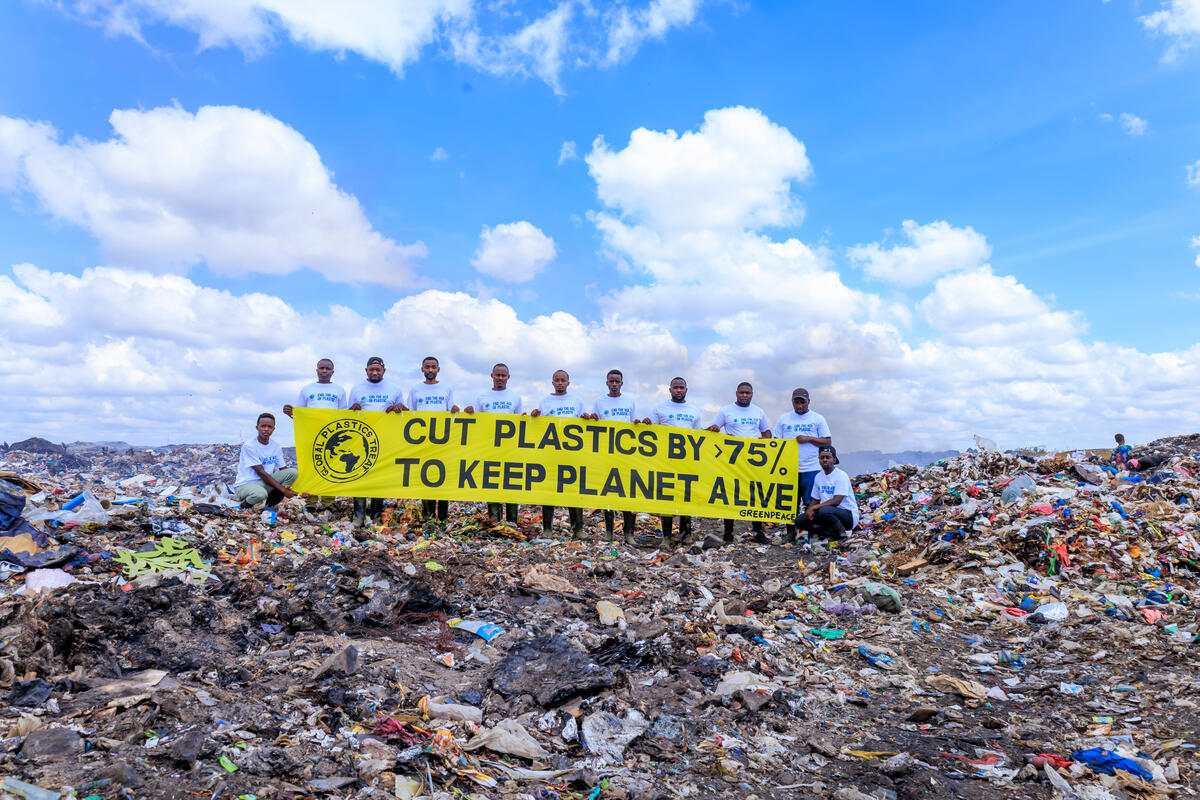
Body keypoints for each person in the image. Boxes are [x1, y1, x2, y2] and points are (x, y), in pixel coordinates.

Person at [583, 369, 644, 545]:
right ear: (607, 383)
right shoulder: (599, 402)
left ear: (622, 383)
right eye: (611, 381)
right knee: (607, 493)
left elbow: (633, 425)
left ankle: (629, 535)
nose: (614, 384)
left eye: (617, 381)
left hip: (626, 456)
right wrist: (592, 418)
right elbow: (595, 423)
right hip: (606, 455)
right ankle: (609, 534)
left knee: (628, 494)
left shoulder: (630, 401)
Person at [707, 382, 772, 544]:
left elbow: (767, 433)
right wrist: (715, 430)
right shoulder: (726, 411)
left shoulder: (758, 411)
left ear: (752, 394)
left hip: (753, 462)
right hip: (732, 460)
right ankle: (728, 532)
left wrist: (764, 440)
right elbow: (712, 429)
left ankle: (758, 531)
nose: (744, 395)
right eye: (742, 392)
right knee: (730, 494)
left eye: (747, 393)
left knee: (755, 495)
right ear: (736, 393)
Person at [347, 356, 405, 527]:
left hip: (384, 440)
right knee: (359, 475)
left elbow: (405, 413)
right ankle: (358, 516)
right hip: (360, 439)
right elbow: (348, 414)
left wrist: (398, 409)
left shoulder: (394, 389)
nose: (374, 372)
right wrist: (353, 409)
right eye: (371, 370)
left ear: (384, 371)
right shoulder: (357, 388)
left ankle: (377, 516)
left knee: (378, 477)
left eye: (377, 370)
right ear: (366, 371)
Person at [530, 370, 586, 539]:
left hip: (572, 455)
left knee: (574, 492)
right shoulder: (545, 401)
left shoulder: (576, 401)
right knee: (549, 491)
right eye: (557, 380)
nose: (560, 382)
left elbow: (585, 423)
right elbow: (536, 425)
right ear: (552, 382)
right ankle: (547, 529)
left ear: (568, 382)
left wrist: (587, 417)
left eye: (563, 380)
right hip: (551, 455)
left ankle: (578, 530)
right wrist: (534, 416)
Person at [772, 388, 832, 543]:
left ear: (808, 402)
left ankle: (811, 535)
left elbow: (827, 441)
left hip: (811, 468)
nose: (799, 405)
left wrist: (809, 439)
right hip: (789, 469)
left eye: (802, 402)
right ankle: (791, 535)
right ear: (792, 402)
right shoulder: (784, 419)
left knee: (810, 503)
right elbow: (775, 441)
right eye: (796, 402)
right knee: (789, 504)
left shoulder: (817, 419)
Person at [465, 363, 522, 524]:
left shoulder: (515, 397)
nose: (500, 378)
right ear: (492, 376)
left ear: (508, 377)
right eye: (497, 375)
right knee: (492, 484)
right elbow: (476, 421)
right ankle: (495, 521)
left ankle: (512, 522)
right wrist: (470, 413)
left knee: (511, 484)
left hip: (510, 449)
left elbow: (520, 425)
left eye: (503, 376)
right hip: (489, 449)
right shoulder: (482, 397)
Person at [650, 377, 703, 548]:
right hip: (665, 462)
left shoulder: (694, 410)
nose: (678, 390)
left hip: (687, 463)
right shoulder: (659, 409)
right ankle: (666, 537)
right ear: (670, 389)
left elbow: (699, 436)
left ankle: (686, 535)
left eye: (681, 388)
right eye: (675, 387)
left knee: (685, 496)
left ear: (686, 389)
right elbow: (651, 433)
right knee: (666, 498)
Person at [407, 356, 459, 522]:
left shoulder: (446, 388)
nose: (430, 370)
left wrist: (456, 409)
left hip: (442, 441)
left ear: (438, 369)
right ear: (422, 369)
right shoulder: (415, 390)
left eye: (433, 367)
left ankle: (442, 518)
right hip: (422, 441)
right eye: (427, 367)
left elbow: (451, 411)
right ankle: (428, 516)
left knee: (442, 478)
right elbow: (411, 414)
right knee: (425, 477)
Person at [792, 445, 858, 542]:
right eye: (822, 457)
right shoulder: (818, 477)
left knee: (824, 510)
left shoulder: (841, 475)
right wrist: (809, 511)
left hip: (848, 516)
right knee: (799, 520)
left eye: (828, 457)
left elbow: (836, 501)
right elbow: (815, 499)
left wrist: (815, 508)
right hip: (828, 514)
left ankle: (842, 536)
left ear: (834, 460)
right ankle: (827, 533)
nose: (825, 460)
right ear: (819, 459)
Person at [233, 413, 299, 508]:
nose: (266, 429)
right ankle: (244, 505)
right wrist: (284, 491)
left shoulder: (275, 446)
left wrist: (295, 490)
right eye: (263, 426)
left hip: (264, 484)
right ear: (257, 427)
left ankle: (270, 504)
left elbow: (283, 469)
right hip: (246, 485)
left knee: (292, 472)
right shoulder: (250, 446)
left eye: (269, 426)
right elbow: (261, 472)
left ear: (273, 429)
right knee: (260, 494)